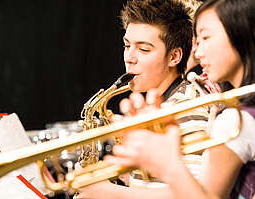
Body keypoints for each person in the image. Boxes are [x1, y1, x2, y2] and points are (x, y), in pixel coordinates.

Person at [106, 0, 255, 199]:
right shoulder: (234, 114)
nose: (198, 53)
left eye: (206, 38)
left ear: (240, 35)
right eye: (126, 45)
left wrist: (108, 192)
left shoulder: (234, 120)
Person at [74, 0, 208, 198]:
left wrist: (106, 192)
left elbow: (194, 194)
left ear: (174, 57)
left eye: (143, 49)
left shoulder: (186, 110)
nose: (129, 57)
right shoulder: (165, 103)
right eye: (127, 45)